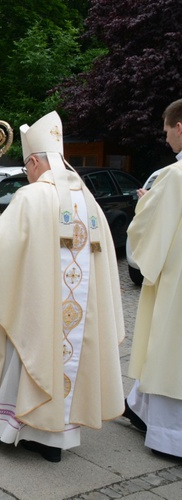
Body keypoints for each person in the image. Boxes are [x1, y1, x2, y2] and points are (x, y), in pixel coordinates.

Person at [0, 111, 125, 463]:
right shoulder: (89, 200)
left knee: (27, 347)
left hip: (39, 308)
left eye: (26, 167)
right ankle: (54, 438)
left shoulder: (32, 197)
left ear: (34, 161)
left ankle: (10, 426)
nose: (27, 173)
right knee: (65, 356)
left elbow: (1, 254)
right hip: (79, 315)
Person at [123, 99, 182, 460]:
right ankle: (137, 406)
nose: (166, 140)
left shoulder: (174, 177)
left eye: (166, 132)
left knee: (169, 347)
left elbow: (148, 229)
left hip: (177, 283)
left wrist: (144, 203)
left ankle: (170, 435)